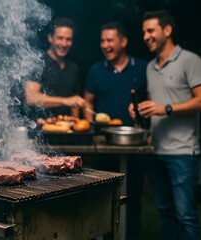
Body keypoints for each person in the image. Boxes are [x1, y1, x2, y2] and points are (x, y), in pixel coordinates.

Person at [130, 10, 201, 240]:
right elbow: (154, 104)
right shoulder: (150, 67)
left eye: (150, 30)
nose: (145, 36)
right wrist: (140, 109)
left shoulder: (190, 60)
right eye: (144, 32)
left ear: (167, 30)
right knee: (165, 213)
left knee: (185, 215)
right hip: (155, 151)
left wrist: (165, 108)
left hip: (183, 153)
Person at [84, 22, 148, 240]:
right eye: (102, 40)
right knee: (105, 198)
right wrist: (91, 125)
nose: (104, 45)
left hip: (134, 146)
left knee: (133, 197)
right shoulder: (95, 70)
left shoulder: (142, 68)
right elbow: (88, 104)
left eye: (109, 40)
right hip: (104, 146)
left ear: (123, 41)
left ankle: (130, 236)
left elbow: (151, 101)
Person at [25, 17, 85, 119]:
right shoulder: (38, 63)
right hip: (39, 130)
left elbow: (75, 101)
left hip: (65, 128)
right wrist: (65, 101)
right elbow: (31, 97)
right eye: (60, 38)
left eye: (68, 39)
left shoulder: (73, 68)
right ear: (50, 38)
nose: (64, 44)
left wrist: (76, 122)